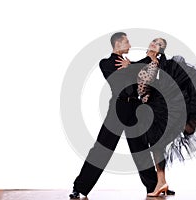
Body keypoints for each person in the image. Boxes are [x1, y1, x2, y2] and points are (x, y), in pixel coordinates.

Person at [69, 32, 175, 199]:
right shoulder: (105, 63)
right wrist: (145, 60)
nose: (130, 45)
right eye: (127, 41)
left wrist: (136, 64)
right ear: (117, 43)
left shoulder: (129, 64)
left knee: (140, 150)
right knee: (102, 149)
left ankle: (155, 185)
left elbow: (139, 75)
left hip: (136, 109)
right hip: (118, 109)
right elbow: (122, 75)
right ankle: (79, 187)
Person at [135, 38, 196, 197]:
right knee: (157, 145)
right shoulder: (146, 63)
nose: (154, 44)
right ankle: (161, 182)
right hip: (154, 108)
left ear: (161, 49)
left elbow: (186, 81)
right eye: (154, 41)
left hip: (164, 107)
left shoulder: (168, 65)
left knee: (158, 143)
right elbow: (142, 89)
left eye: (159, 44)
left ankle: (161, 182)